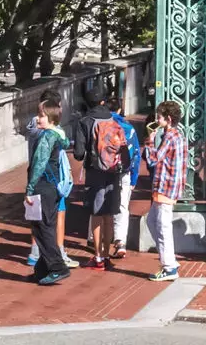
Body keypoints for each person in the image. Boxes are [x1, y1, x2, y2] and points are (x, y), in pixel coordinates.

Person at [70, 94, 128, 270]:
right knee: (109, 214)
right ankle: (106, 253)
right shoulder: (112, 119)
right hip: (114, 171)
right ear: (103, 102)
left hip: (95, 171)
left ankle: (98, 257)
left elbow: (78, 154)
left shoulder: (85, 121)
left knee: (96, 213)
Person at [24, 94, 73, 285]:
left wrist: (29, 189)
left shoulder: (46, 138)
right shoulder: (59, 135)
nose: (38, 118)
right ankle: (42, 270)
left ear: (51, 118)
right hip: (52, 187)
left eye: (41, 115)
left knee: (41, 227)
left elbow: (38, 164)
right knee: (47, 225)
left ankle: (57, 267)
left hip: (42, 186)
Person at [142, 99, 186, 281]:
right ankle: (170, 260)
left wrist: (149, 141)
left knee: (162, 227)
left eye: (159, 117)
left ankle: (169, 266)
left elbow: (153, 159)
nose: (157, 120)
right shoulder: (177, 135)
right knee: (153, 222)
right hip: (168, 186)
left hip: (165, 187)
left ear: (168, 118)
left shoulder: (169, 137)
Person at [108, 98, 142, 261]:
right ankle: (120, 241)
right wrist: (134, 178)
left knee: (101, 205)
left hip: (103, 171)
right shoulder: (129, 129)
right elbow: (136, 155)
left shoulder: (101, 126)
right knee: (122, 206)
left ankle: (96, 238)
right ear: (120, 111)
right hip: (124, 172)